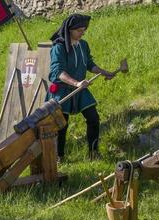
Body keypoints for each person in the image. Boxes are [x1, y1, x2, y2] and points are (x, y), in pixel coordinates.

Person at [46, 14, 115, 162]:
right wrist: (76, 83)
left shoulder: (83, 44)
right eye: (79, 30)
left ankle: (93, 153)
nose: (82, 33)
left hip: (80, 88)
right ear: (70, 29)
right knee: (61, 125)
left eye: (84, 30)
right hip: (61, 89)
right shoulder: (59, 47)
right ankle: (59, 157)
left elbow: (90, 64)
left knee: (93, 118)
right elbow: (58, 72)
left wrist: (105, 73)